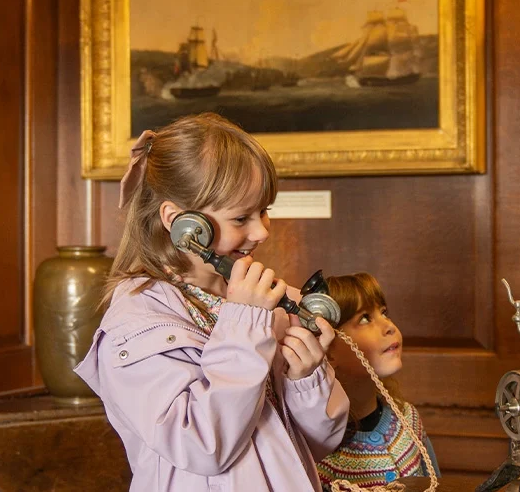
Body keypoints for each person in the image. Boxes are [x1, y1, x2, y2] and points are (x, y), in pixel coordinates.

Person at [74, 113, 349, 492]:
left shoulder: (259, 303)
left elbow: (316, 444)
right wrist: (243, 325)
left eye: (264, 211)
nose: (262, 231)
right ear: (181, 222)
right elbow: (202, 447)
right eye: (241, 217)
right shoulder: (136, 323)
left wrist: (305, 380)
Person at [316, 272, 440, 489]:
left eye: (384, 312)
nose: (389, 326)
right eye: (365, 318)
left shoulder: (407, 420)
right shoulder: (317, 453)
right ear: (328, 350)